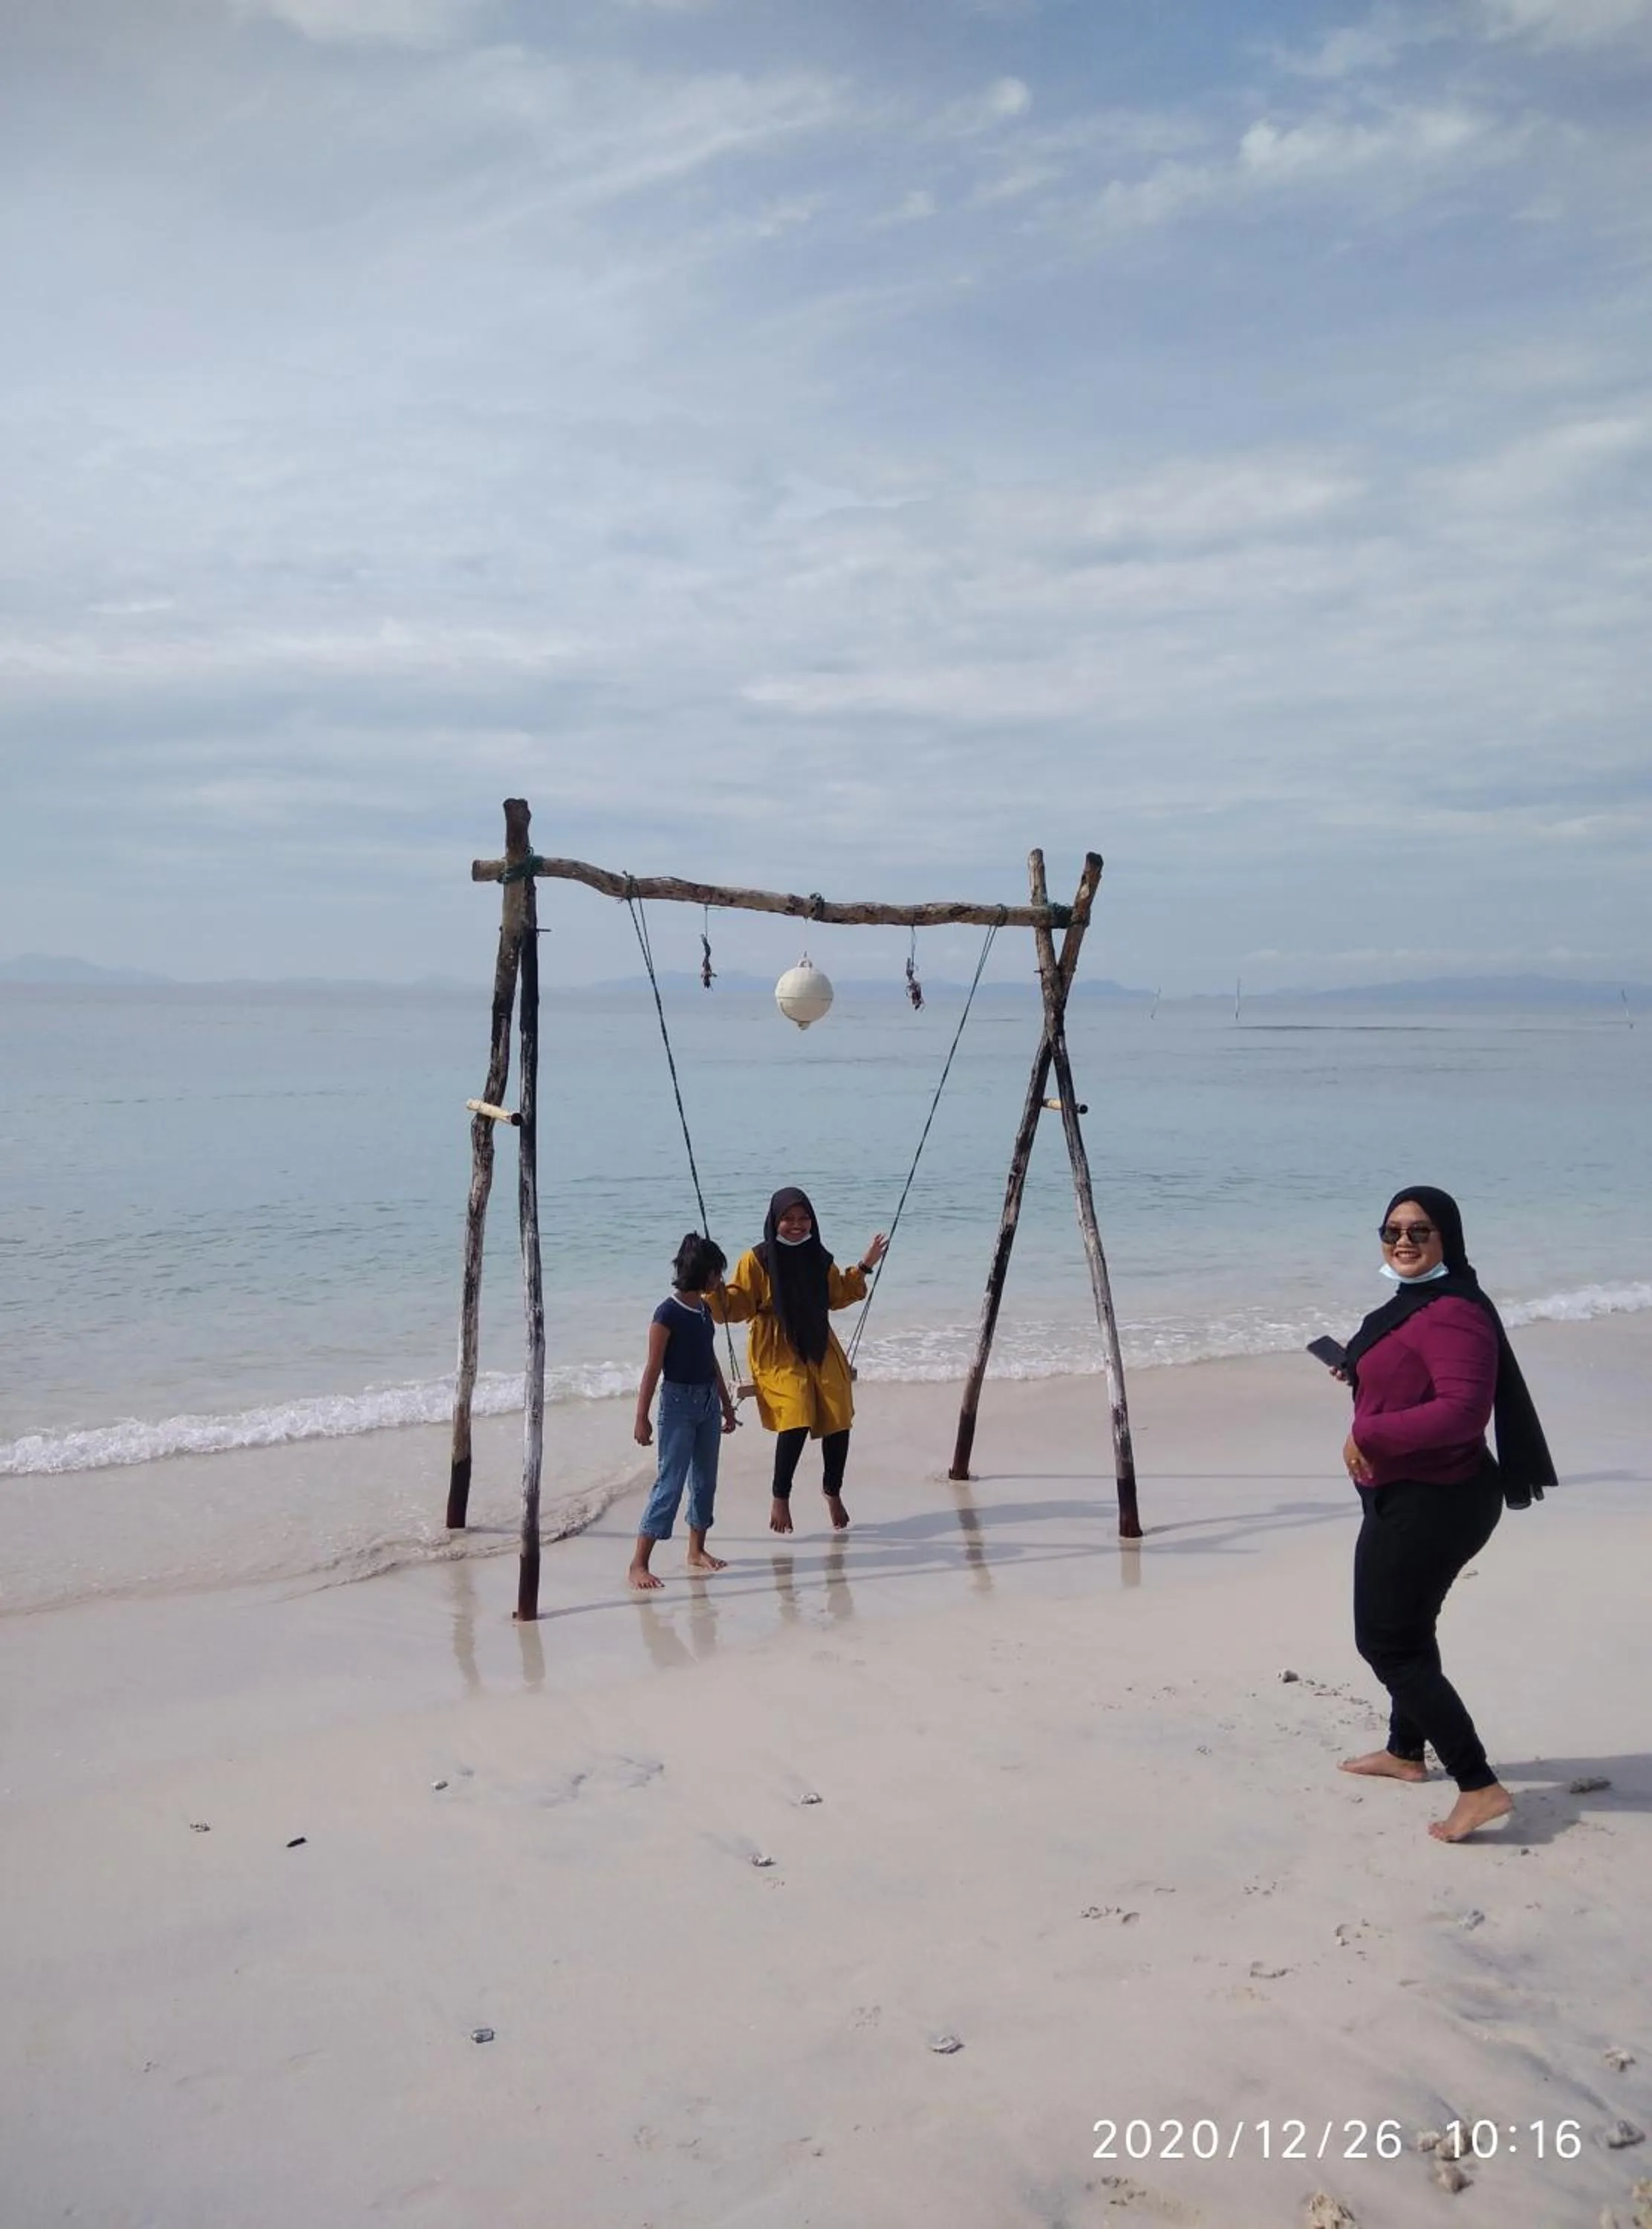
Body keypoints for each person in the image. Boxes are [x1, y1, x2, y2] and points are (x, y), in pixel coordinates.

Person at [1327, 1185, 1555, 1843]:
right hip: (1409, 1491)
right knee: (1409, 1630)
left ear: (1447, 1238)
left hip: (1438, 1501)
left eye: (1419, 1231)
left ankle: (1478, 1785)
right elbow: (1409, 1369)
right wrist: (1361, 1372)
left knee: (1387, 1644)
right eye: (1392, 1230)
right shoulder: (1415, 1303)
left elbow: (1462, 1412)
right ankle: (1405, 1752)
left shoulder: (1454, 1312)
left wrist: (1369, 1433)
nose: (1403, 1241)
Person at [709, 1187, 888, 1535]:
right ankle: (780, 1496)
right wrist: (713, 1287)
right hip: (775, 1346)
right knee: (797, 1411)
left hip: (818, 1338)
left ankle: (832, 1490)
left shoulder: (817, 1255)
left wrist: (865, 1265)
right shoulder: (757, 1260)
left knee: (838, 1409)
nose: (797, 1225)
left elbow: (837, 1294)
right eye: (788, 1219)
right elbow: (735, 1305)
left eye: (804, 1218)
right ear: (774, 1220)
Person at [629, 1233, 739, 1591]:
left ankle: (696, 1550)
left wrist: (725, 1404)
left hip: (707, 1402)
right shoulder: (667, 1313)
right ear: (702, 1273)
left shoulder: (705, 1310)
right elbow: (653, 1368)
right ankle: (639, 1564)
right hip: (677, 1405)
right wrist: (641, 1417)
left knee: (705, 1480)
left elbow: (710, 1360)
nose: (720, 1279)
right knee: (670, 1484)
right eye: (717, 1273)